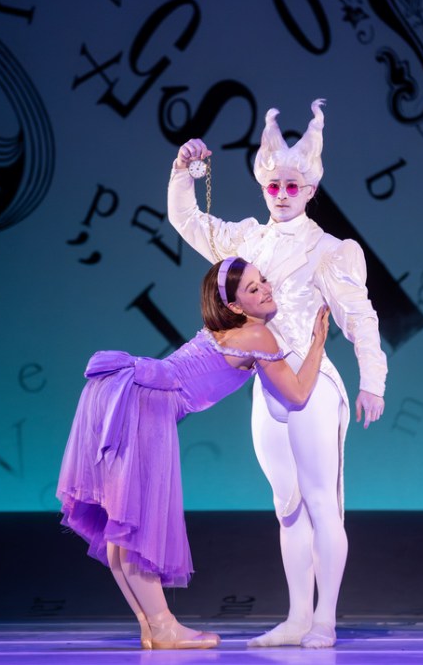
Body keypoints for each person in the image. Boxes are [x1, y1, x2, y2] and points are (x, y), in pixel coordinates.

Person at [168, 99, 388, 648]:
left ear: (311, 191)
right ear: (264, 189)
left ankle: (325, 619)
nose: (283, 194)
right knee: (287, 507)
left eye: (293, 186)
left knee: (320, 500)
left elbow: (360, 317)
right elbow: (187, 222)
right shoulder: (248, 241)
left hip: (313, 387)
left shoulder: (330, 250)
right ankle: (295, 617)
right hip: (267, 387)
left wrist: (372, 380)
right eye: (275, 186)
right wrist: (183, 172)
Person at [56, 257, 330, 650]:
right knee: (134, 523)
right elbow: (299, 395)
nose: (266, 288)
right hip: (146, 403)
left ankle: (152, 627)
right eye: (253, 288)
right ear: (235, 306)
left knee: (123, 521)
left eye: (263, 280)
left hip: (125, 390)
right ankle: (163, 627)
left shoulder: (225, 328)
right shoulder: (257, 335)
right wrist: (318, 344)